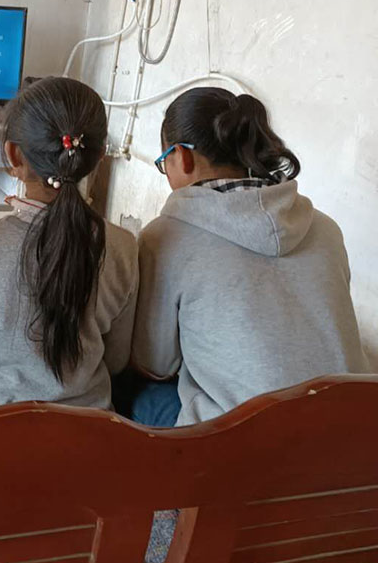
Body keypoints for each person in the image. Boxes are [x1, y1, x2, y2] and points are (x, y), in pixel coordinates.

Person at [132, 87, 367, 428]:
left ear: (181, 157)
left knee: (139, 395)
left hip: (250, 449)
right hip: (353, 430)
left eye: (162, 162)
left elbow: (155, 362)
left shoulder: (165, 238)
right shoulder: (325, 227)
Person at [0, 77, 138, 410]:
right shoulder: (124, 247)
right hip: (89, 437)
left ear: (12, 154)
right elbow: (116, 360)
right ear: (98, 158)